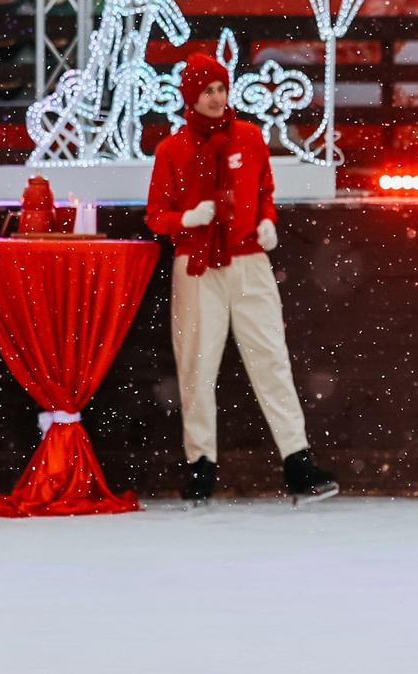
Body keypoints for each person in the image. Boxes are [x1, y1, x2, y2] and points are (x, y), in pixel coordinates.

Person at [143, 52, 339, 504]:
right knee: (196, 364)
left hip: (249, 261)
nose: (216, 98)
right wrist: (188, 218)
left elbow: (265, 191)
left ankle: (297, 461)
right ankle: (200, 466)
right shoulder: (172, 150)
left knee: (271, 359)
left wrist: (267, 220)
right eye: (206, 90)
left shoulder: (249, 140)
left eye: (220, 89)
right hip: (196, 265)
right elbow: (157, 215)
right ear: (190, 95)